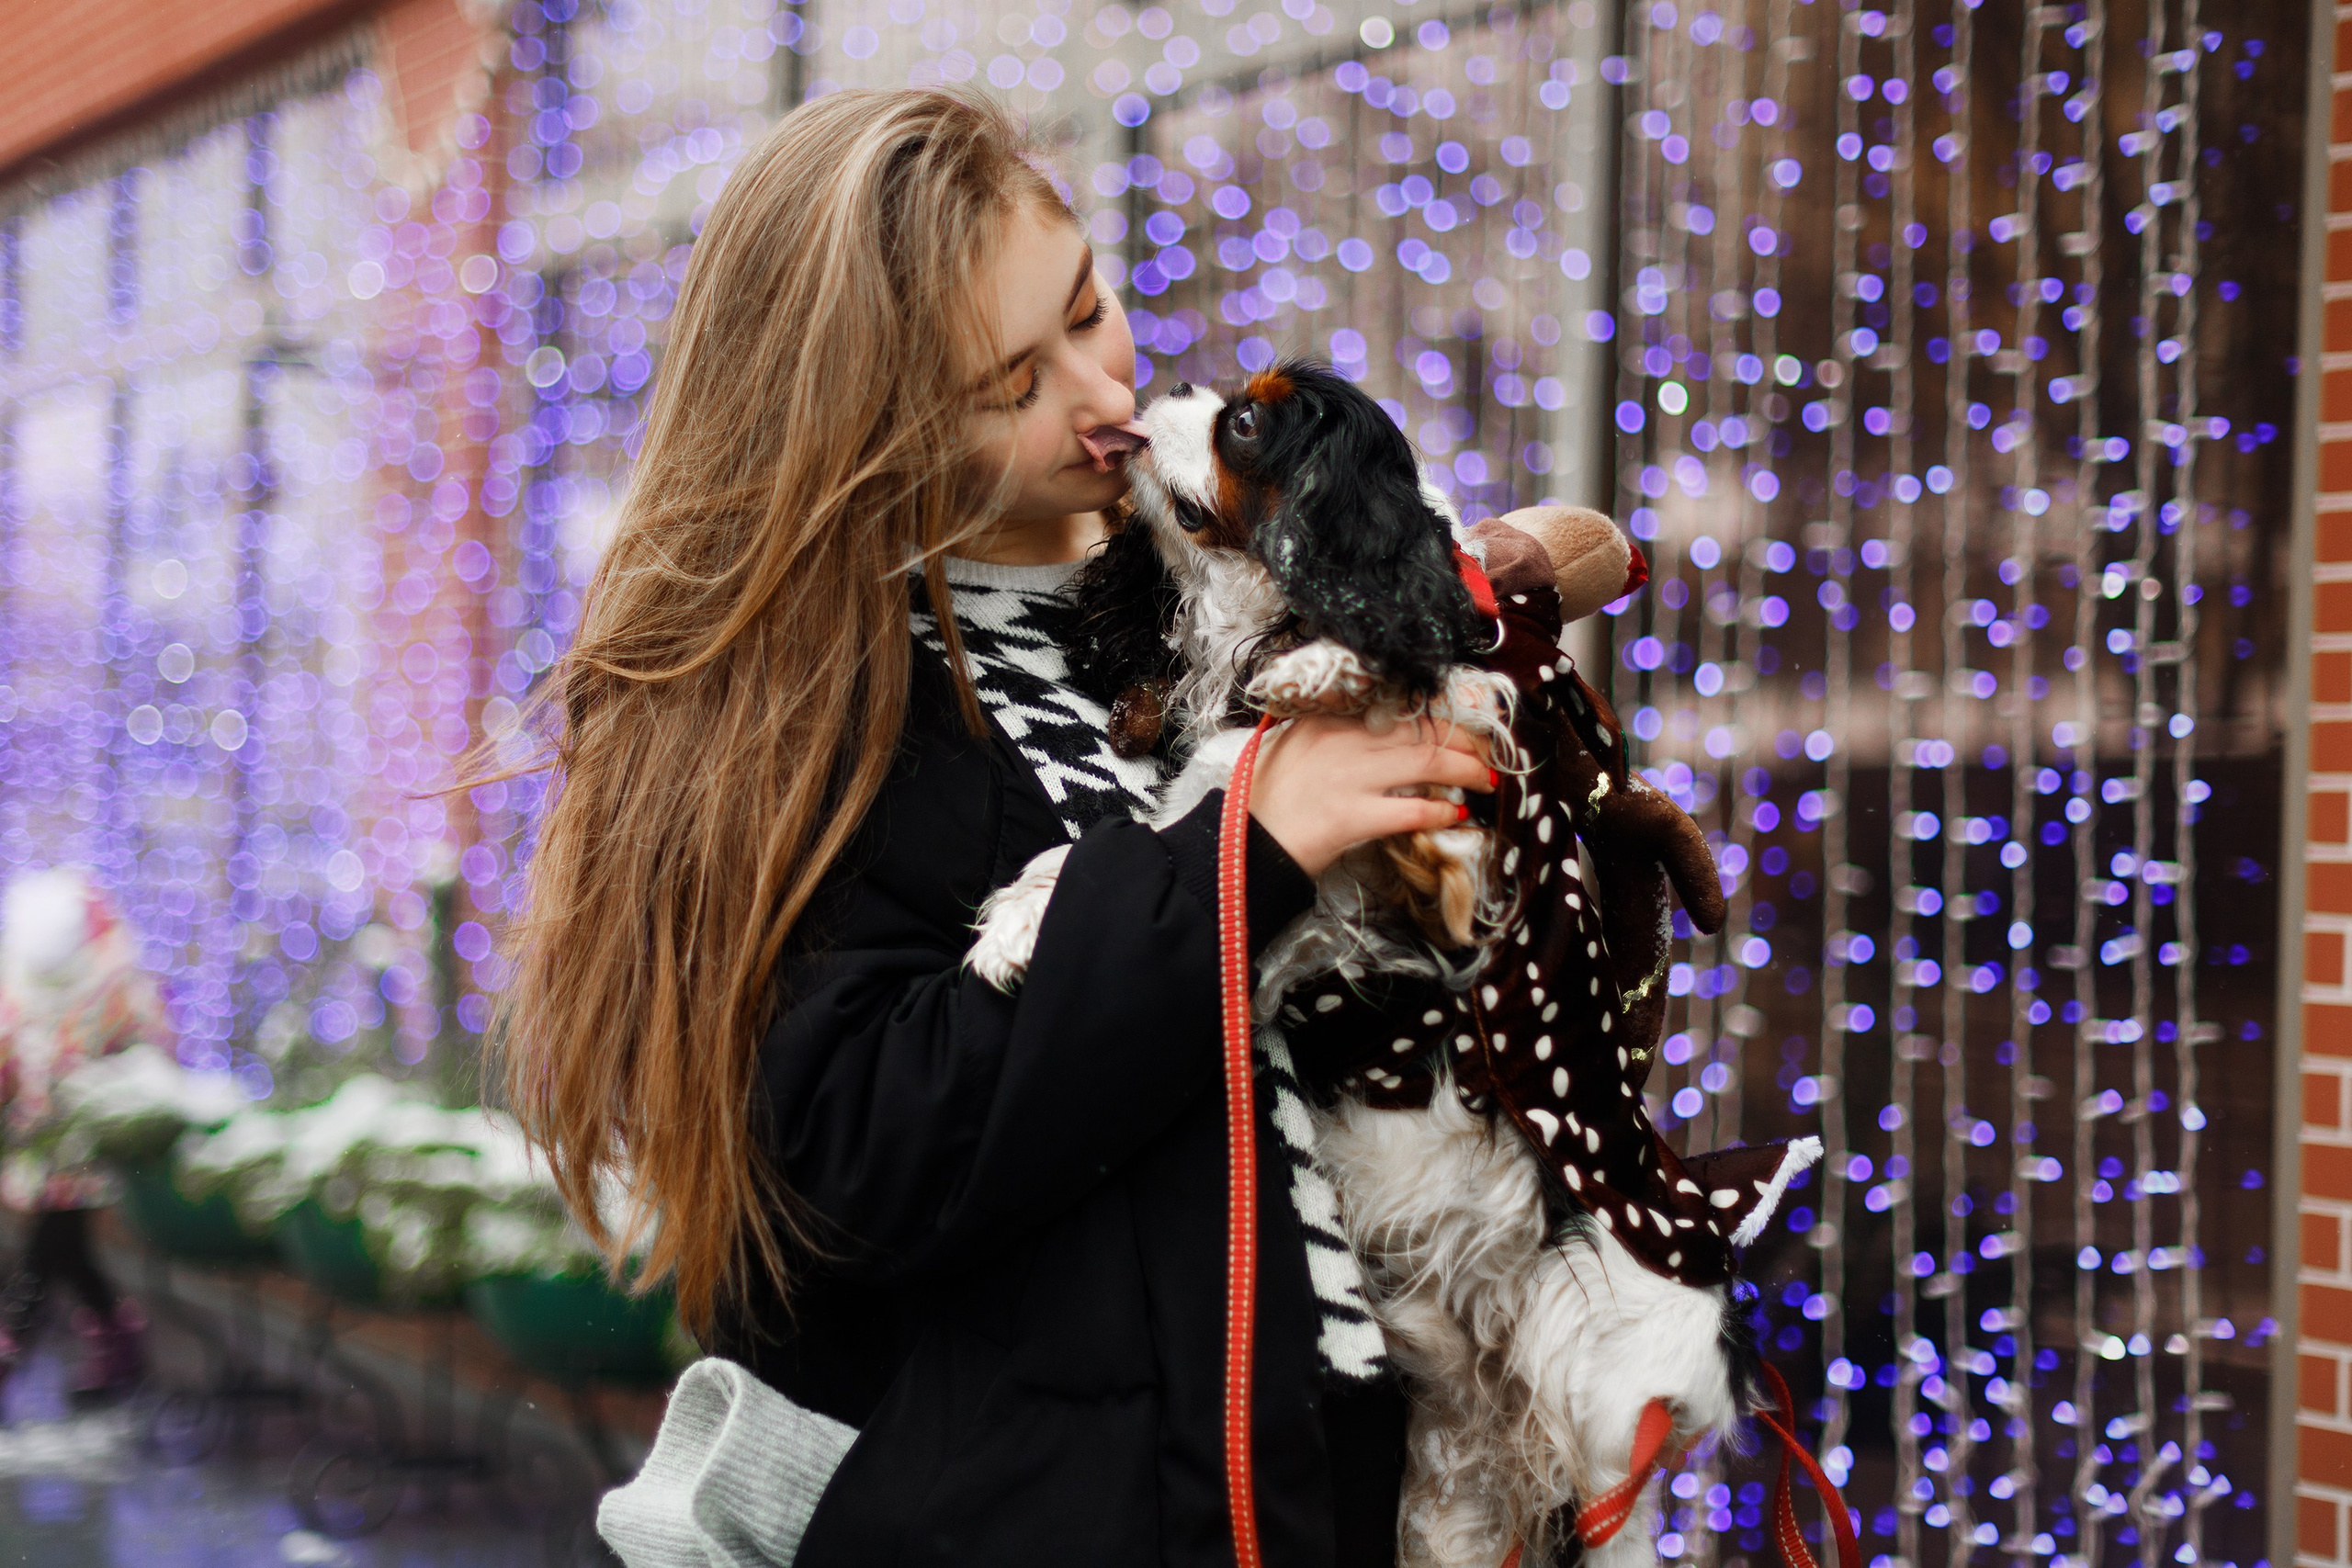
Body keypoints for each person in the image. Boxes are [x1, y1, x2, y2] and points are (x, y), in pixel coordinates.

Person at [498, 88, 1491, 1565]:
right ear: (863, 434)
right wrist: (1232, 859)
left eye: (1090, 308)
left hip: (1325, 1477)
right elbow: (852, 1150)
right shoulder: (808, 712)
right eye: (1007, 384)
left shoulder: (1199, 570)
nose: (1100, 396)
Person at [0, 866, 155, 1402]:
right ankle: (119, 1342)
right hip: (42, 1140)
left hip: (82, 1143)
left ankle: (12, 1349)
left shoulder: (111, 981)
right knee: (66, 1252)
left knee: (50, 1249)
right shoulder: (21, 977)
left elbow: (133, 1045)